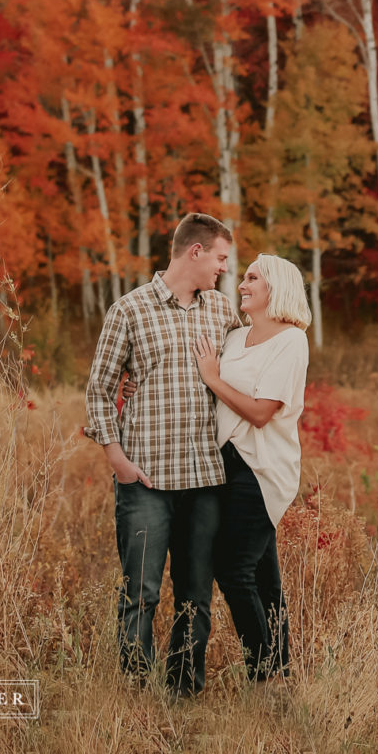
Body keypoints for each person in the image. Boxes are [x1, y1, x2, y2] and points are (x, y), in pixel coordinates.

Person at [84, 213, 239, 697]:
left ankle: (184, 692)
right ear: (194, 252)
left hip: (205, 481)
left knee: (196, 596)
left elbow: (250, 367)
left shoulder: (222, 311)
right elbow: (99, 391)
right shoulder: (128, 311)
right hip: (145, 480)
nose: (223, 269)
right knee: (141, 594)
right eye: (219, 258)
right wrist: (117, 460)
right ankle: (135, 694)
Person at [193, 253, 311, 682]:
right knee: (265, 577)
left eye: (252, 278)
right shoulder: (235, 338)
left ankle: (262, 675)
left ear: (274, 288)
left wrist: (213, 378)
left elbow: (262, 412)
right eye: (243, 278)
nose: (242, 284)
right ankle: (280, 676)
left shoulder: (291, 340)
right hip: (226, 462)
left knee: (232, 569)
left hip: (262, 468)